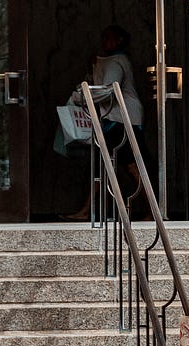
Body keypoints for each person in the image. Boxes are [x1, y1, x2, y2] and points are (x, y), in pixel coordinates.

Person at [59, 25, 146, 220]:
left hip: (121, 121)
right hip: (116, 119)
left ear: (119, 41)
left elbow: (106, 91)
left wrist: (80, 97)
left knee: (130, 166)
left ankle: (152, 210)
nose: (104, 41)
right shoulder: (108, 61)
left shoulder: (116, 62)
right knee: (106, 166)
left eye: (108, 38)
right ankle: (88, 210)